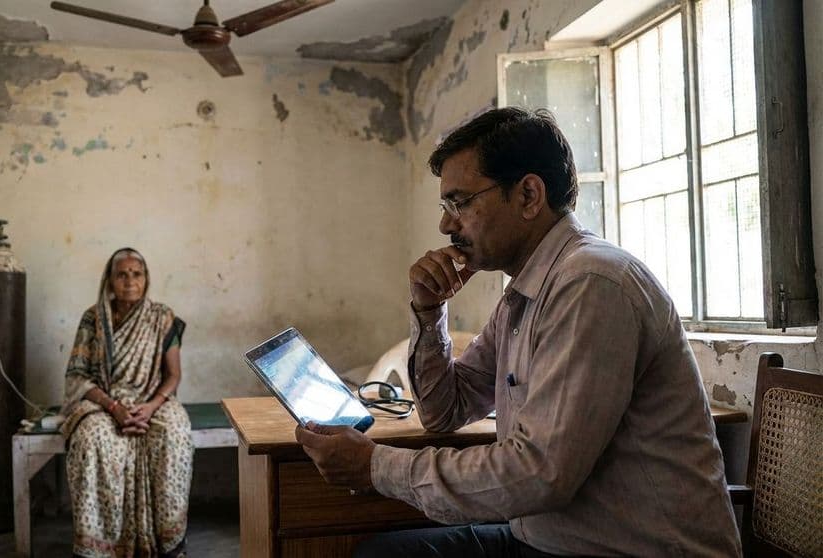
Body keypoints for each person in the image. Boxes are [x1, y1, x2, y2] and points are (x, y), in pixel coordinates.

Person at [295, 107, 742, 557]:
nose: (446, 225)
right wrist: (429, 313)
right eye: (445, 206)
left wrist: (376, 467)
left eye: (461, 202)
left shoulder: (591, 283)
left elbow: (540, 472)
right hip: (553, 541)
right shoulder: (528, 292)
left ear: (529, 195)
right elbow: (445, 411)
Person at [62, 247, 192, 558]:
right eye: (122, 274)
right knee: (91, 439)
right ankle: (98, 547)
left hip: (154, 400)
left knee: (174, 433)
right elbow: (78, 376)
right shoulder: (93, 318)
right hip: (104, 401)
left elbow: (173, 376)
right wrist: (114, 408)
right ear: (109, 281)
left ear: (146, 280)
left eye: (137, 274)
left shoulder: (162, 318)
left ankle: (169, 542)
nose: (130, 281)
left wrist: (150, 406)